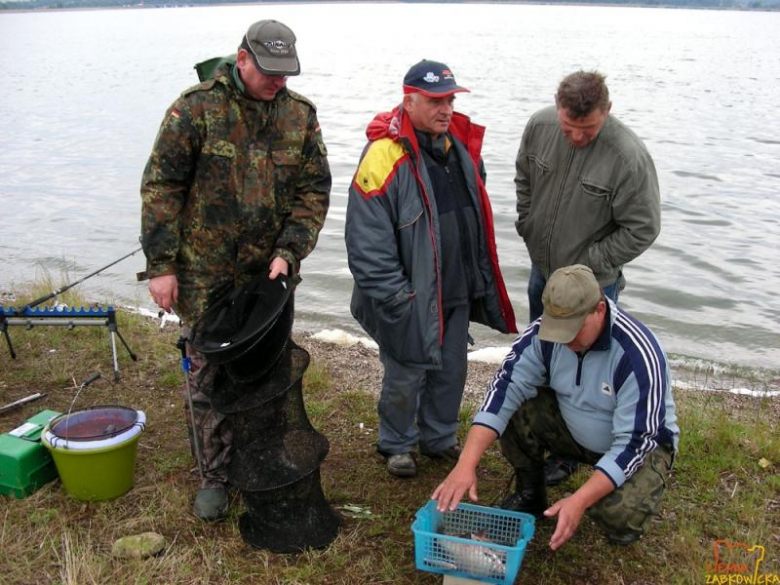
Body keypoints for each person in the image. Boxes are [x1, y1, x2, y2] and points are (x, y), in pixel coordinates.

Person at [139, 19, 331, 520]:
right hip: (204, 275)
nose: (277, 82)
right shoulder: (196, 108)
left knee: (266, 367)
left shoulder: (299, 116)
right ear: (242, 58)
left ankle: (258, 454)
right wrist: (161, 266)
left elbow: (314, 191)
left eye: (285, 72)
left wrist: (290, 251)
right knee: (207, 372)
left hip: (268, 276)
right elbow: (162, 187)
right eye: (269, 71)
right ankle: (215, 474)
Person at [345, 60, 517, 478]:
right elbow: (367, 243)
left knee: (452, 368)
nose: (446, 108)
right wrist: (397, 297)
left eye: (451, 99)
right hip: (410, 293)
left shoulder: (458, 145)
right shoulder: (384, 155)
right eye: (436, 100)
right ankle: (396, 444)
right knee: (406, 372)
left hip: (456, 285)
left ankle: (438, 438)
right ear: (410, 100)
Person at [433, 265, 678, 549]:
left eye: (573, 330)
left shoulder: (636, 353)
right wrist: (466, 464)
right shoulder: (541, 335)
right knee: (516, 406)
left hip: (642, 444)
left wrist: (580, 500)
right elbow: (504, 389)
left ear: (599, 310)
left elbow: (635, 442)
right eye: (557, 329)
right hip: (573, 429)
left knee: (618, 515)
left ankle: (625, 518)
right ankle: (531, 495)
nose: (564, 339)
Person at [515, 70, 661, 485]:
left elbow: (643, 228)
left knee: (586, 369)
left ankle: (582, 449)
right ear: (557, 111)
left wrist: (592, 262)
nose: (577, 137)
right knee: (542, 354)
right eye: (569, 127)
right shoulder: (540, 126)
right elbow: (524, 177)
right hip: (542, 271)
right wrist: (527, 221)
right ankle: (541, 433)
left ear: (607, 113)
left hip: (594, 286)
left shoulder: (627, 157)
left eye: (588, 129)